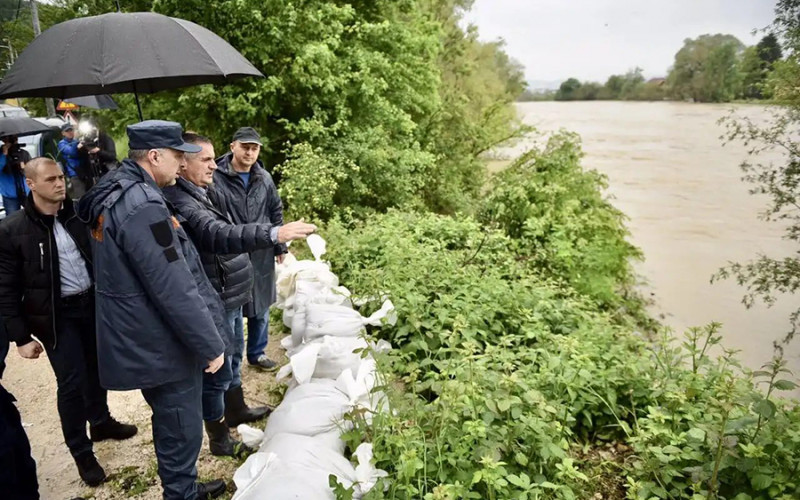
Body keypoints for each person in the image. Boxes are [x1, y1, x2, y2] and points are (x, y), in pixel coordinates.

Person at [77, 121, 228, 500]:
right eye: (178, 156)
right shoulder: (142, 205)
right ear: (155, 156)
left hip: (144, 334)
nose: (183, 164)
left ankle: (185, 486)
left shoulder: (121, 191)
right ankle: (182, 493)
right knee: (181, 425)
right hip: (162, 342)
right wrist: (210, 343)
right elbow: (172, 286)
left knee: (173, 420)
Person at [164, 133, 316, 452]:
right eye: (205, 160)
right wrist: (275, 233)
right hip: (215, 291)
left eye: (212, 158)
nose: (212, 166)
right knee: (217, 367)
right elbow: (215, 232)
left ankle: (235, 409)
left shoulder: (203, 188)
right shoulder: (180, 200)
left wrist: (276, 239)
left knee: (234, 350)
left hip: (229, 285)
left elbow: (269, 208)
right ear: (181, 163)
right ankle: (220, 438)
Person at [0, 157, 138, 488]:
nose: (60, 183)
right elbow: (5, 288)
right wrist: (20, 337)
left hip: (92, 306)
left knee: (98, 368)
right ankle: (81, 452)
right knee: (72, 384)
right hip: (56, 317)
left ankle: (101, 421)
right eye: (51, 179)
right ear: (31, 184)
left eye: (62, 177)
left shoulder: (79, 214)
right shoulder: (12, 230)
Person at [214, 127, 285, 371]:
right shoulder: (215, 175)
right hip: (230, 251)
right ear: (233, 146)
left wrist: (280, 246)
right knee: (233, 309)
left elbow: (276, 210)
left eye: (254, 148)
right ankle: (233, 363)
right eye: (245, 147)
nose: (250, 152)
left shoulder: (264, 177)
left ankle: (257, 353)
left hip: (262, 250)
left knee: (261, 307)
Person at [57, 123, 90, 199]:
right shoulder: (62, 144)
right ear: (63, 133)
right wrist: (77, 144)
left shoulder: (76, 140)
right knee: (81, 197)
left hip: (84, 171)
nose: (70, 132)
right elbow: (72, 152)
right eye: (67, 131)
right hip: (74, 174)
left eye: (71, 130)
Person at [0, 134, 31, 215]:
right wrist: (4, 155)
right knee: (12, 221)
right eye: (8, 139)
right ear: (3, 140)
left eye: (14, 138)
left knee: (34, 217)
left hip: (26, 191)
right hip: (9, 194)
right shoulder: (1, 155)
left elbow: (33, 172)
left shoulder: (23, 153)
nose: (12, 141)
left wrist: (24, 168)